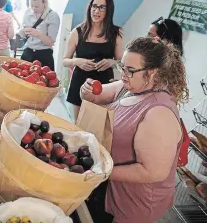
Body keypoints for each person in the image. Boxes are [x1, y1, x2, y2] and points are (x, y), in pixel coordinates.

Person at [80, 37, 188, 223]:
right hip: (108, 185)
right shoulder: (129, 86)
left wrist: (103, 171)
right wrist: (86, 89)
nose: (123, 74)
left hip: (134, 201)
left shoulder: (158, 113)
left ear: (153, 73)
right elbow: (94, 96)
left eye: (130, 70)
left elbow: (152, 172)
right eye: (122, 67)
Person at [63, 0, 123, 122]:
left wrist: (111, 62)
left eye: (102, 7)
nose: (96, 11)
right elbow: (65, 61)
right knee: (78, 125)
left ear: (109, 10)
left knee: (98, 125)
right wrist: (78, 61)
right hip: (80, 84)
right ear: (90, 7)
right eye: (94, 6)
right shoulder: (78, 32)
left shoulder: (116, 34)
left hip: (104, 85)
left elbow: (121, 62)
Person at [16, 0, 60, 71]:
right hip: (28, 52)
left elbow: (50, 42)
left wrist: (38, 33)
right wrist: (22, 31)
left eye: (37, 6)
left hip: (44, 54)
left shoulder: (52, 16)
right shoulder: (28, 12)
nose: (33, 8)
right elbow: (23, 32)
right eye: (31, 5)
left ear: (45, 3)